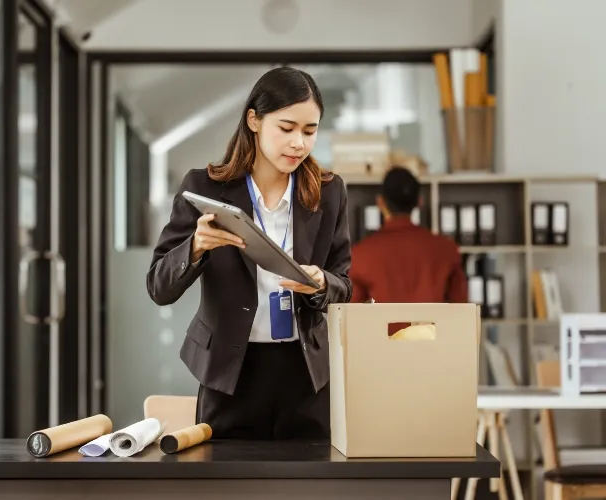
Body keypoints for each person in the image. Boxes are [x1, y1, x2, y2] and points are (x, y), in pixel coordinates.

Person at [146, 67, 352, 440]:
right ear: (254, 120)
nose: (299, 144)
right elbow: (159, 287)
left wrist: (323, 284)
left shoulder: (330, 192)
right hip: (230, 374)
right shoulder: (203, 188)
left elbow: (345, 284)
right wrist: (195, 246)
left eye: (310, 131)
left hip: (305, 374)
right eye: (286, 128)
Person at [349, 167, 468, 317]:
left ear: (380, 202)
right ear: (419, 202)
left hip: (381, 339)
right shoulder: (446, 249)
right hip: (434, 338)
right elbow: (462, 310)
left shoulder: (360, 254)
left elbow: (352, 315)